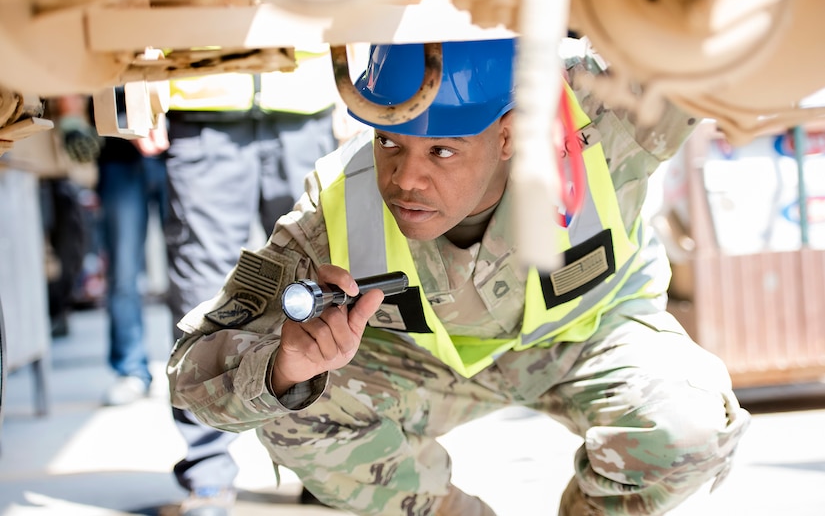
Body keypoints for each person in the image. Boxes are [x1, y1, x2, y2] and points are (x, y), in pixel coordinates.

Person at [167, 37, 751, 516]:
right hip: (426, 368)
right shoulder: (334, 206)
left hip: (591, 337)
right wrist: (287, 366)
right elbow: (190, 373)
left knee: (688, 424)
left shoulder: (602, 108)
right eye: (389, 142)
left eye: (442, 151)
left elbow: (729, 38)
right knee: (298, 410)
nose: (405, 180)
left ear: (507, 135)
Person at [160, 48, 342, 515]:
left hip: (304, 98)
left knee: (322, 283)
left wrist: (354, 89)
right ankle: (207, 473)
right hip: (200, 94)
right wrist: (136, 96)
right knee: (201, 293)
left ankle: (325, 463)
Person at [55, 91, 169, 406]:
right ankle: (131, 369)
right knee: (123, 270)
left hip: (179, 146)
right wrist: (72, 118)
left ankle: (195, 364)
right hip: (117, 150)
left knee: (192, 263)